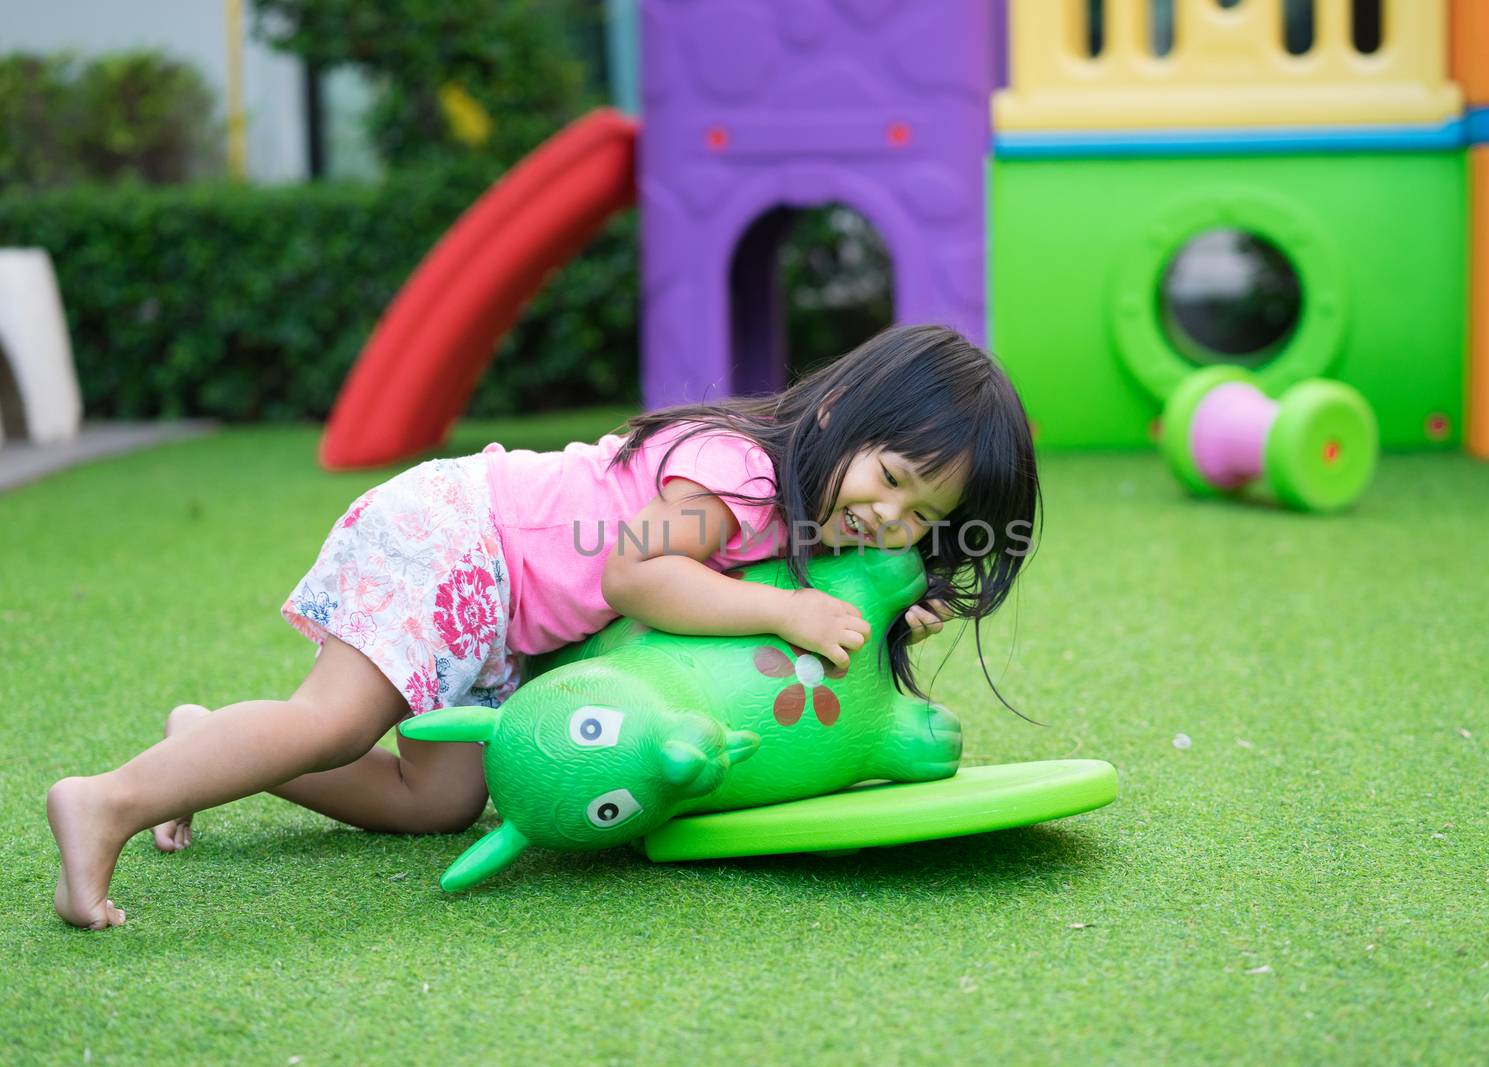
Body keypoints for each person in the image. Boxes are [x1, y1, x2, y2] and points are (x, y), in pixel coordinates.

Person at [46, 323, 1040, 929]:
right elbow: (637, 571)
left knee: (433, 798)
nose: (891, 520)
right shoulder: (737, 471)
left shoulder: (806, 508)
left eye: (923, 518)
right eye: (893, 480)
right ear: (836, 414)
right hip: (462, 536)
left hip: (513, 626)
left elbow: (813, 581)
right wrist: (786, 605)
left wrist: (884, 596)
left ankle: (205, 743)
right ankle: (107, 800)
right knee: (335, 720)